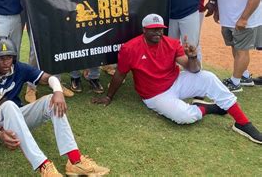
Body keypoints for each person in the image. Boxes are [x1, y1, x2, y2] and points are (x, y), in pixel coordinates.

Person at [92, 14, 262, 145]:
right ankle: (205, 109)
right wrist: (109, 96)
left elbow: (193, 69)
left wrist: (193, 57)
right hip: (155, 94)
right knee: (184, 117)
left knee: (208, 77)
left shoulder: (171, 43)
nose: (158, 32)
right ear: (144, 30)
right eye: (153, 29)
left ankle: (242, 123)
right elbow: (120, 74)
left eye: (160, 28)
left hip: (176, 82)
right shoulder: (130, 48)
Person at [0, 36, 110, 176]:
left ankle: (75, 161)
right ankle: (43, 166)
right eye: (1, 58)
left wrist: (58, 91)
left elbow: (48, 77)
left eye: (9, 57)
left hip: (17, 118)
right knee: (8, 105)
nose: (6, 62)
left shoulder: (18, 68)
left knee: (51, 100)